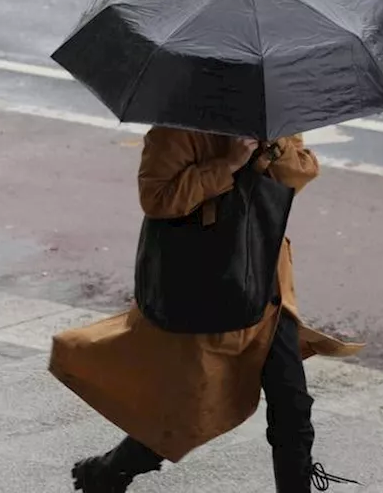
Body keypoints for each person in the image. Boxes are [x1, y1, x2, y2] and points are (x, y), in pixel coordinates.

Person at [49, 128, 363, 493]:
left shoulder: (272, 121)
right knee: (192, 407)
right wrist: (227, 164)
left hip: (265, 287)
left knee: (292, 402)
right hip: (206, 284)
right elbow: (157, 198)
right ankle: (109, 470)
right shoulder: (175, 130)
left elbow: (297, 177)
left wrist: (271, 150)